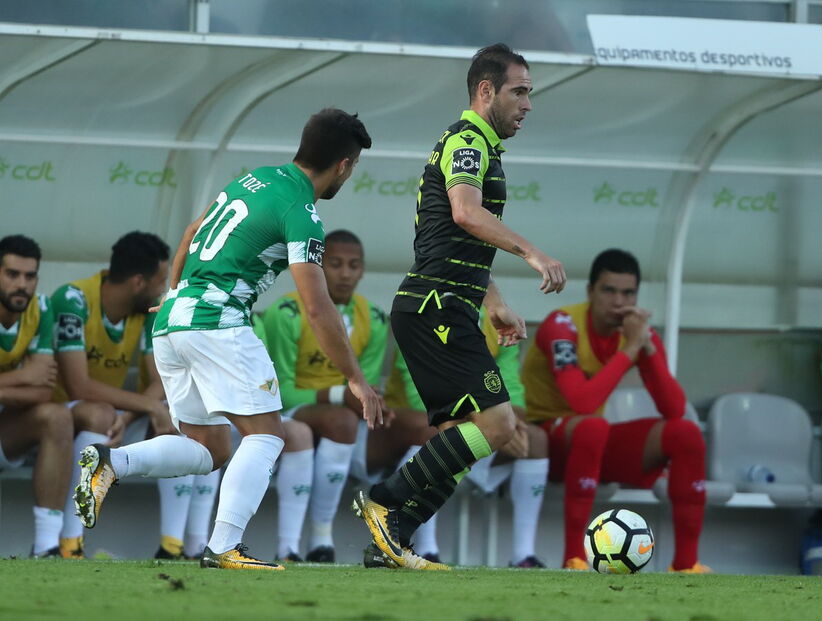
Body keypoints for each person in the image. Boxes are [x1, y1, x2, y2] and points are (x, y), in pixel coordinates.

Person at [73, 107, 382, 571]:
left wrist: (175, 291)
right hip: (219, 323)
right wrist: (355, 379)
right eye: (353, 166)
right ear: (344, 165)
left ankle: (113, 463)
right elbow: (316, 308)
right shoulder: (302, 212)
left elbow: (192, 231)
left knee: (211, 449)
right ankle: (223, 549)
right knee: (267, 437)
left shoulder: (253, 179)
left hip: (173, 323)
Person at [353, 43, 566, 571]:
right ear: (485, 90)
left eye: (530, 93)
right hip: (434, 308)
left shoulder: (484, 148)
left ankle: (393, 537)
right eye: (519, 91)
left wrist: (493, 301)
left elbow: (451, 238)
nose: (528, 104)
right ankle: (384, 502)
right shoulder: (468, 140)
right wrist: (531, 251)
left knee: (466, 436)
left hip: (446, 304)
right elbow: (466, 215)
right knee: (497, 425)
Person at [521, 249, 709, 572]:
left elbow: (674, 408)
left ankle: (686, 565)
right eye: (609, 291)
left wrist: (647, 349)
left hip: (588, 446)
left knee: (685, 433)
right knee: (592, 426)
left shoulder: (633, 332)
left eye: (628, 293)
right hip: (538, 443)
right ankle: (574, 559)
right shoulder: (563, 325)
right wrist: (632, 349)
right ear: (590, 292)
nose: (619, 302)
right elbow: (581, 401)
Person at [364, 305, 549, 568]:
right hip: (417, 424)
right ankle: (424, 546)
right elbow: (426, 402)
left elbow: (512, 394)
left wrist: (510, 421)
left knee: (534, 438)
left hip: (472, 421)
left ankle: (524, 554)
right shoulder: (424, 315)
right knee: (438, 433)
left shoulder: (496, 320)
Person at [261, 229, 389, 562]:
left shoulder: (374, 319)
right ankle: (317, 539)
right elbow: (278, 392)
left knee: (388, 425)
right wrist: (338, 394)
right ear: (317, 266)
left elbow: (368, 386)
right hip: (290, 412)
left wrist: (374, 404)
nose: (346, 274)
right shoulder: (285, 312)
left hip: (343, 420)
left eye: (354, 265)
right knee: (342, 418)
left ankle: (323, 542)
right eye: (335, 264)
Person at [50, 231, 175, 559]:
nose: (162, 289)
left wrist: (128, 415)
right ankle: (69, 542)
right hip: (59, 413)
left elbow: (161, 377)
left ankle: (176, 547)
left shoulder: (147, 310)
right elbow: (79, 386)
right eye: (160, 281)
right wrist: (146, 405)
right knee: (99, 413)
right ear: (138, 281)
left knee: (181, 419)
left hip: (111, 416)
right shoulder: (73, 299)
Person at [0, 235, 74, 558]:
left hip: (7, 427)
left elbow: (42, 389)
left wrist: (20, 384)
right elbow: (31, 379)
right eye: (12, 274)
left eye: (30, 276)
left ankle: (47, 547)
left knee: (57, 416)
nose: (22, 285)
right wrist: (22, 377)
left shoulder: (40, 308)